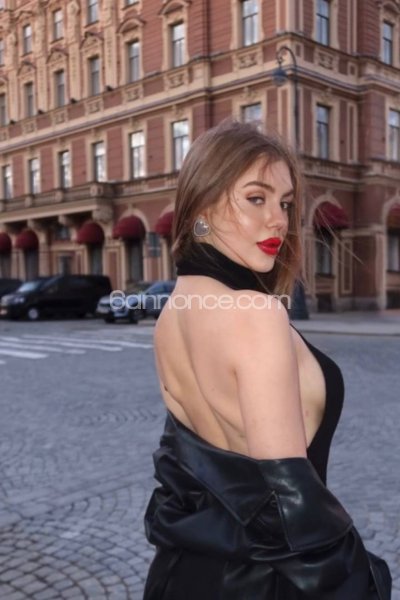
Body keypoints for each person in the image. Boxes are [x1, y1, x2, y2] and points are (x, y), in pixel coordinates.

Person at [142, 120, 391, 599]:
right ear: (203, 205)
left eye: (285, 203)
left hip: (184, 575)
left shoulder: (171, 314)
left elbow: (188, 476)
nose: (279, 220)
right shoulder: (255, 314)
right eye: (256, 198)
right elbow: (292, 508)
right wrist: (363, 582)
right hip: (264, 585)